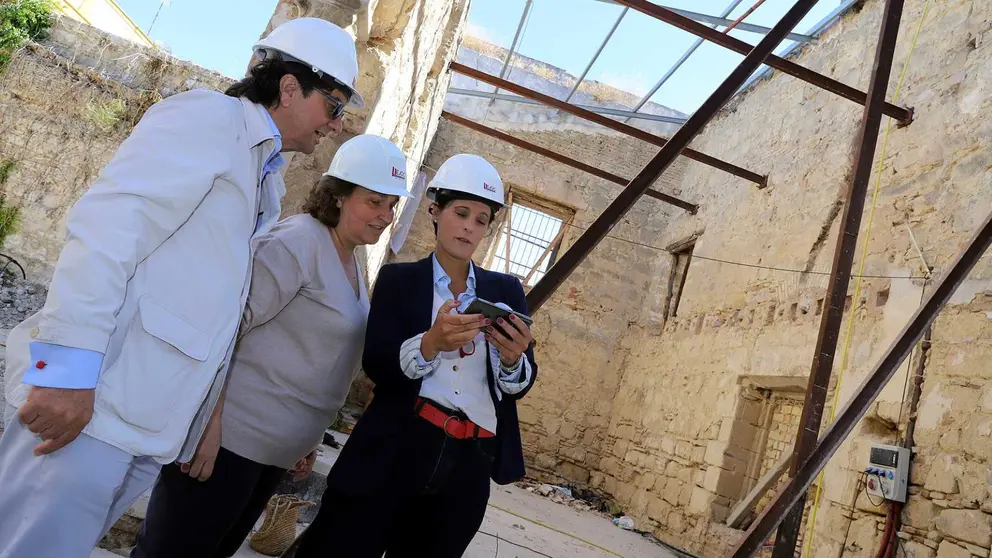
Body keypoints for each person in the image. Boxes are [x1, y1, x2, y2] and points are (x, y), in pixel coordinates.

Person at [0, 17, 363, 558]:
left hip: (141, 426)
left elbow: (214, 310)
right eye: (334, 105)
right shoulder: (208, 119)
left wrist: (201, 420)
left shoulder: (264, 173)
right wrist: (62, 374)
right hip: (90, 407)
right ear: (290, 87)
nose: (336, 125)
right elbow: (104, 235)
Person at [129, 134, 411, 558]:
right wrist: (206, 423)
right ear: (338, 196)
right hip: (226, 444)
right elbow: (226, 326)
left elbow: (320, 355)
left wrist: (306, 439)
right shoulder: (298, 241)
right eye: (374, 201)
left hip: (270, 454)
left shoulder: (351, 258)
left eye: (391, 205)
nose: (385, 215)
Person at [293, 154, 539, 558]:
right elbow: (378, 363)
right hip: (398, 444)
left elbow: (518, 384)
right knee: (341, 545)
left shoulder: (506, 291)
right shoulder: (399, 280)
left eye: (481, 219)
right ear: (435, 212)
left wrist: (514, 360)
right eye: (461, 213)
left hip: (469, 461)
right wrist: (431, 343)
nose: (469, 227)